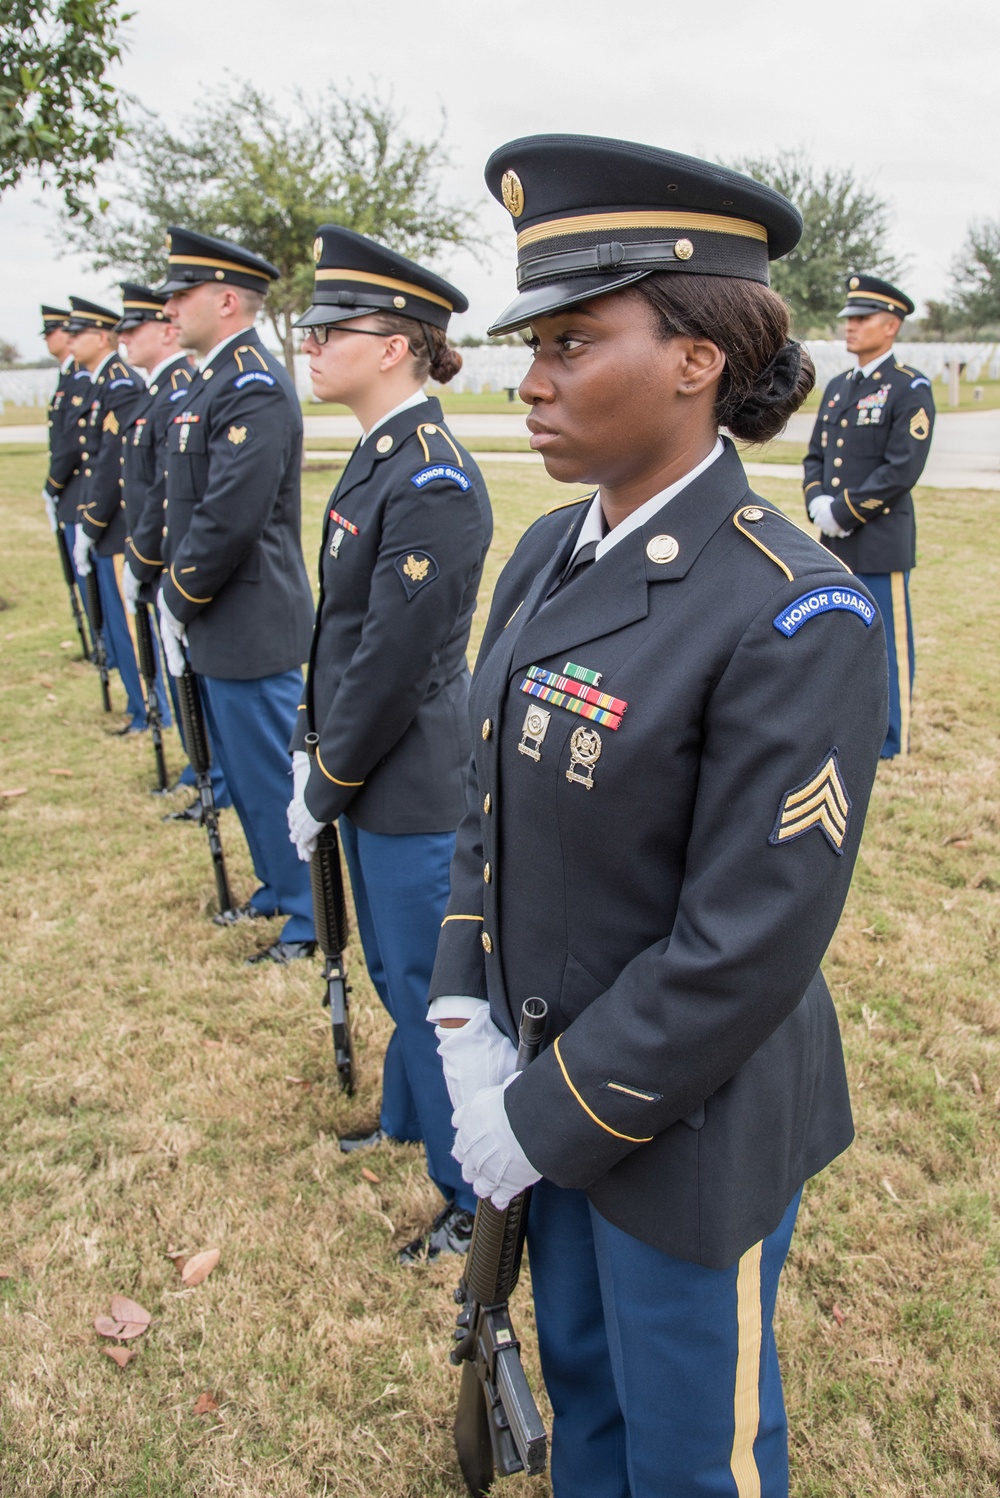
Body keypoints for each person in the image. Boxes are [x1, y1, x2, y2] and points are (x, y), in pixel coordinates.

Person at [428, 135, 888, 1497]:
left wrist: (547, 1112)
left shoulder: (792, 606)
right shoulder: (548, 549)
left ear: (696, 360)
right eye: (536, 344)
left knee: (692, 1451)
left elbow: (745, 938)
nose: (535, 379)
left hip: (681, 1127)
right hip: (542, 1085)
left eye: (575, 341)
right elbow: (487, 798)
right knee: (590, 1406)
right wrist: (464, 1006)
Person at [285, 226, 493, 1262]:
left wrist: (328, 775)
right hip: (370, 772)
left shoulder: (433, 479)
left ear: (400, 345)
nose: (311, 343)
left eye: (333, 327)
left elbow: (393, 661)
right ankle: (410, 1121)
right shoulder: (378, 461)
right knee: (390, 969)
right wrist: (310, 748)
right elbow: (341, 634)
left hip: (409, 782)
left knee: (426, 987)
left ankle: (469, 1196)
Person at [156, 227, 316, 962]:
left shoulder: (251, 382)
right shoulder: (214, 378)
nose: (170, 307)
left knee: (268, 777)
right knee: (247, 779)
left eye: (181, 293)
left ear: (224, 300)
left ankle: (309, 913)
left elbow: (229, 516)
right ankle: (277, 889)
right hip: (222, 620)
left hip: (248, 620)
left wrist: (177, 595)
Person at [803, 275, 933, 758]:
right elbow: (817, 456)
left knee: (887, 642)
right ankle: (841, 721)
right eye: (849, 318)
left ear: (892, 326)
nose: (850, 326)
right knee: (838, 632)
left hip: (878, 537)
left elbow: (902, 468)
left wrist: (843, 509)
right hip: (832, 538)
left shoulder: (908, 388)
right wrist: (817, 501)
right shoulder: (838, 388)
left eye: (862, 319)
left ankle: (890, 737)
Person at [65, 296, 151, 732]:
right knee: (115, 622)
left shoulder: (119, 384)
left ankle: (149, 709)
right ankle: (138, 707)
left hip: (114, 525)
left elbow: (110, 461)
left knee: (129, 625)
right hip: (100, 522)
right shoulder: (99, 382)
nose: (69, 339)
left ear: (102, 336)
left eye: (77, 332)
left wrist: (91, 521)